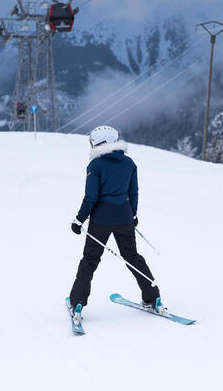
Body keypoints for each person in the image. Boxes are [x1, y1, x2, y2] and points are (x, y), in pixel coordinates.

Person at [67, 125, 166, 324]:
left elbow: (91, 197)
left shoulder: (95, 165)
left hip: (100, 221)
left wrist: (79, 219)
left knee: (90, 260)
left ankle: (77, 303)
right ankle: (153, 298)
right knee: (132, 257)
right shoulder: (129, 163)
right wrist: (133, 214)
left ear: (98, 142)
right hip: (124, 218)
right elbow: (134, 193)